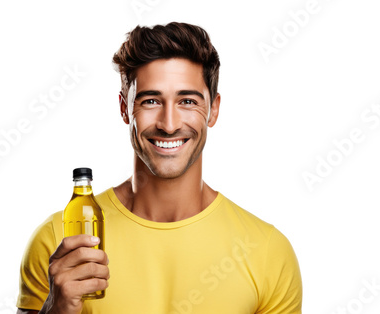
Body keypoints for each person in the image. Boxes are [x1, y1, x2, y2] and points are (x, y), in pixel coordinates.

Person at [16, 22, 302, 314]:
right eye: (151, 100)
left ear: (214, 110)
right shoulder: (59, 241)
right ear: (124, 108)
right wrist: (56, 310)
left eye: (187, 101)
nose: (169, 124)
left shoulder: (268, 251)